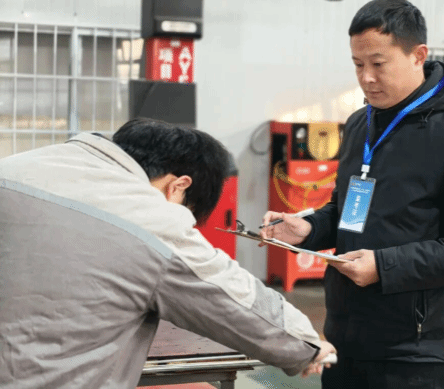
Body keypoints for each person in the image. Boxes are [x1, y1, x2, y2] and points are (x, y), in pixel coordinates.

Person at [262, 0, 444, 388]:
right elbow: (350, 211)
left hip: (412, 353)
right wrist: (309, 228)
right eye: (358, 65)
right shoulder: (362, 124)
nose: (366, 78)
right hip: (345, 337)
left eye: (378, 64)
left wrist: (384, 266)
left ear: (418, 55)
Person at [0, 118, 335, 389]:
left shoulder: (16, 167)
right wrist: (307, 346)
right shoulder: (149, 215)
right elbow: (230, 294)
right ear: (179, 187)